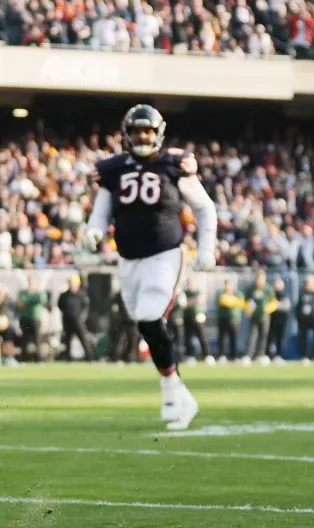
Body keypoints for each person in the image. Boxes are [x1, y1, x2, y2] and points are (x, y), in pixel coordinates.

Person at [84, 104, 217, 431]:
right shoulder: (112, 170)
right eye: (138, 130)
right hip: (128, 260)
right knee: (145, 322)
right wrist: (94, 230)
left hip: (166, 254)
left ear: (157, 133)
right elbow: (102, 211)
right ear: (128, 134)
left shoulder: (174, 165)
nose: (143, 136)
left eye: (148, 130)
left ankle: (172, 393)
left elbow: (204, 208)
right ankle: (179, 392)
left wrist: (207, 247)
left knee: (148, 316)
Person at [57, 275, 92, 362]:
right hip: (67, 321)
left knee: (83, 339)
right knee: (67, 340)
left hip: (78, 321)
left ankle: (89, 358)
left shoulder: (81, 295)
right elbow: (60, 305)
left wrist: (82, 317)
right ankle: (68, 359)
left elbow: (85, 307)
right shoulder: (64, 295)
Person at [180, 278, 212, 364]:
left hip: (198, 317)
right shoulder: (185, 293)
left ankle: (207, 355)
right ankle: (191, 356)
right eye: (188, 283)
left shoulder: (198, 291)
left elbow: (201, 300)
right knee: (188, 338)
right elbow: (184, 304)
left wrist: (190, 302)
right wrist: (194, 301)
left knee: (203, 337)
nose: (190, 285)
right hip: (188, 318)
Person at [266, 277, 291, 363]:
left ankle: (278, 355)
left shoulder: (285, 295)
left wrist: (277, 305)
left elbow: (287, 306)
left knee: (280, 338)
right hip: (271, 320)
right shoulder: (270, 294)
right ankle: (267, 355)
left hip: (281, 320)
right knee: (269, 338)